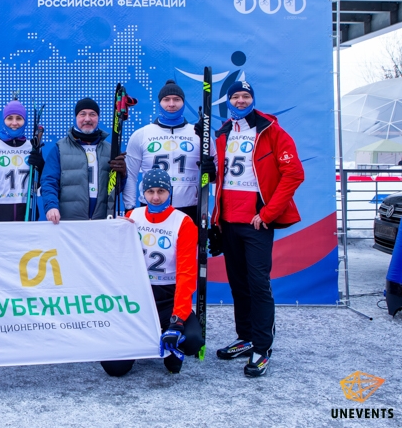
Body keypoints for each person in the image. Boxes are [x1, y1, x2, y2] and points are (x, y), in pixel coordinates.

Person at [209, 80, 304, 378]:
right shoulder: (223, 132)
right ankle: (246, 337)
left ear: (253, 100)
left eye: (245, 96)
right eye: (235, 96)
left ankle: (262, 346)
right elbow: (222, 176)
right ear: (228, 101)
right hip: (228, 220)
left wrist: (268, 213)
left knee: (258, 284)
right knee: (238, 284)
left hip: (255, 221)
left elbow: (293, 173)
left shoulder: (271, 130)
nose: (240, 101)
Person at [101, 168, 203, 376]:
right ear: (143, 193)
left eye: (161, 191)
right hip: (138, 299)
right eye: (150, 192)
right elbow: (115, 260)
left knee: (191, 341)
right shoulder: (132, 216)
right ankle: (144, 339)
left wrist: (177, 320)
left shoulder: (183, 222)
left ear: (169, 192)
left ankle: (167, 338)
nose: (156, 197)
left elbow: (186, 275)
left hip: (168, 298)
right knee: (114, 368)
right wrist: (115, 232)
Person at [123, 79, 215, 220]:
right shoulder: (142, 134)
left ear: (183, 102)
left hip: (189, 208)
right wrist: (129, 208)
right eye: (166, 100)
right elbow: (131, 175)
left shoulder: (198, 134)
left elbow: (216, 173)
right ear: (159, 103)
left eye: (177, 99)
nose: (171, 104)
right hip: (151, 206)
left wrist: (212, 173)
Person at [41, 97, 126, 223]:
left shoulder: (110, 150)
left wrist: (122, 175)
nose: (87, 119)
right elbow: (49, 181)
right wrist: (51, 206)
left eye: (92, 114)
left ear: (98, 118)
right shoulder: (60, 148)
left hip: (101, 221)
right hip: (69, 223)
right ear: (76, 117)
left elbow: (115, 190)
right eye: (82, 114)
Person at [0, 99, 45, 221]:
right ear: (4, 121)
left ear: (25, 121)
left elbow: (40, 184)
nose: (14, 123)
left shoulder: (32, 147)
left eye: (19, 118)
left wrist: (40, 166)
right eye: (9, 118)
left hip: (26, 213)